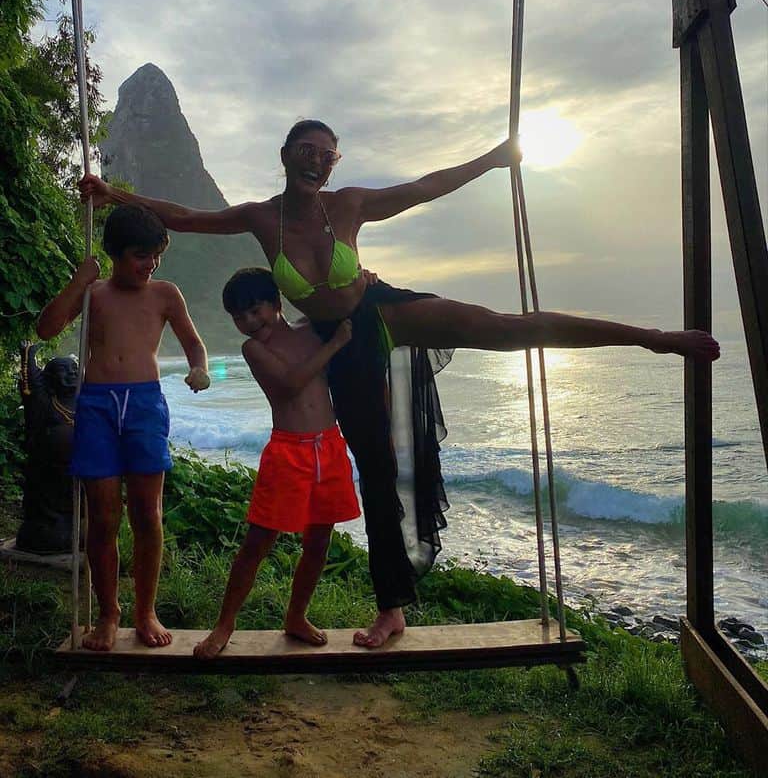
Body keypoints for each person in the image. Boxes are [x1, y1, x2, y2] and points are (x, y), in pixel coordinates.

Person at [79, 123, 720, 648]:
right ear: (285, 156)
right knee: (377, 470)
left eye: (327, 155)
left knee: (500, 326)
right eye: (307, 151)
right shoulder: (260, 218)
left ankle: (653, 338)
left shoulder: (350, 203)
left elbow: (425, 187)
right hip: (343, 350)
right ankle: (393, 608)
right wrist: (113, 196)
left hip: (378, 310)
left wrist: (494, 159)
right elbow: (185, 217)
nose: (318, 162)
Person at [37, 204, 210, 651]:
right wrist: (79, 281)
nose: (149, 264)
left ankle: (145, 611)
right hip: (96, 405)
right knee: (103, 515)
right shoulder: (94, 293)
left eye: (155, 255)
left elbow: (194, 344)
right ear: (114, 253)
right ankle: (108, 614)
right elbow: (47, 326)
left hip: (145, 405)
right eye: (139, 255)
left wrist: (199, 369)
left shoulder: (166, 294)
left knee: (147, 514)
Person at [193, 267, 360, 659]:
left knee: (319, 542)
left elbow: (344, 296)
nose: (249, 323)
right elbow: (289, 384)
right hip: (288, 451)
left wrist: (360, 281)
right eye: (239, 318)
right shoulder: (254, 349)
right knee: (258, 542)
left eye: (255, 311)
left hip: (329, 447)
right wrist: (335, 344)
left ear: (277, 304)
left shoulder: (311, 329)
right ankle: (224, 625)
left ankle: (296, 617)